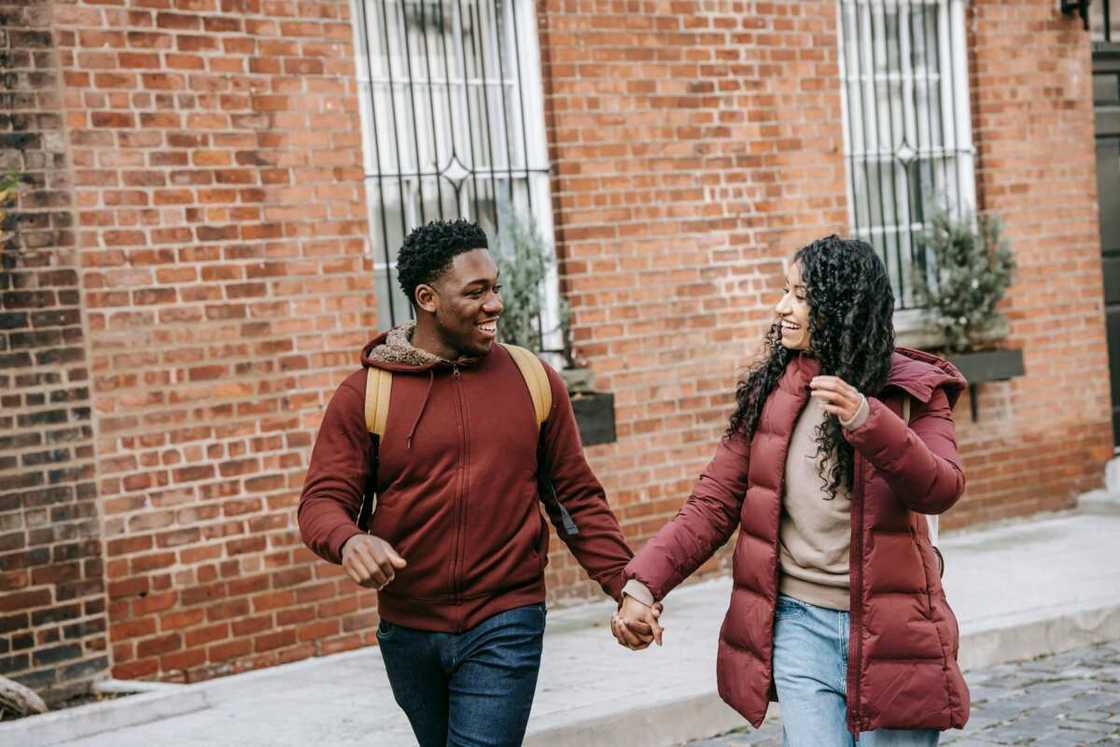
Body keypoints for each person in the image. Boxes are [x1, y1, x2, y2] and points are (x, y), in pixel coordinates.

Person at [298, 219, 649, 747]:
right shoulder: (367, 394)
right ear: (427, 298)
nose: (496, 305)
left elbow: (575, 498)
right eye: (476, 291)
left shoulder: (533, 380)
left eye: (497, 288)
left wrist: (628, 585)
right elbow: (322, 500)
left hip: (506, 618)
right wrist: (349, 539)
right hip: (409, 629)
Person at [612, 236, 970, 746]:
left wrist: (871, 421)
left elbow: (940, 487)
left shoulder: (913, 390)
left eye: (800, 295)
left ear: (840, 304)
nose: (783, 307)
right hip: (800, 627)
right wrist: (643, 586)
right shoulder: (773, 392)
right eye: (786, 291)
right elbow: (712, 503)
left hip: (893, 630)